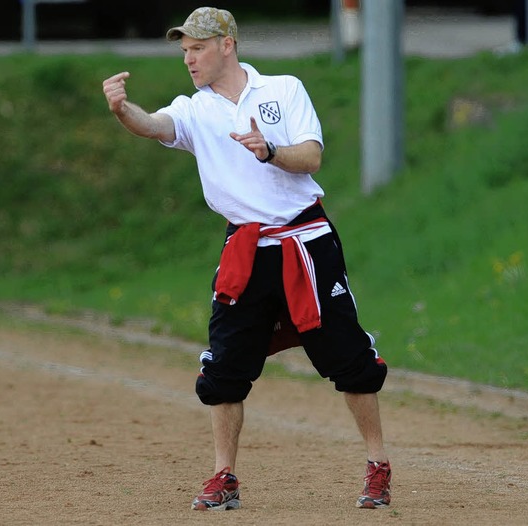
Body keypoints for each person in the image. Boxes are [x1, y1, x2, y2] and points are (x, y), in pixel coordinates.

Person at [102, 6, 391, 512]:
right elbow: (153, 125)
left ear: (227, 45)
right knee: (225, 365)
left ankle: (377, 466)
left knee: (346, 355)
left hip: (306, 239)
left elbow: (311, 157)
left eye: (197, 48)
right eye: (184, 50)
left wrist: (269, 150)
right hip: (246, 248)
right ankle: (224, 476)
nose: (188, 59)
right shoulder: (194, 109)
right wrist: (123, 110)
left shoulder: (283, 88)